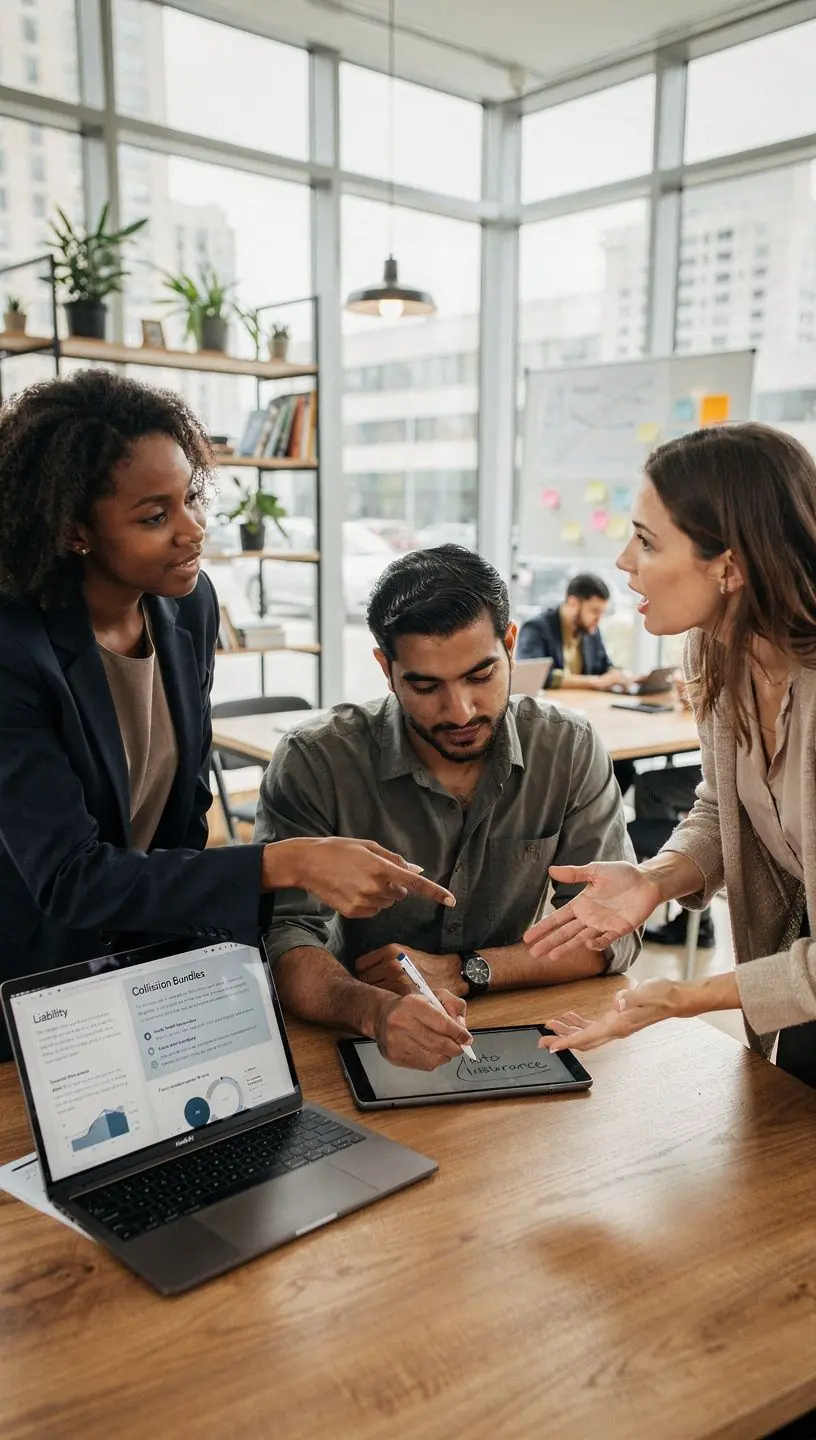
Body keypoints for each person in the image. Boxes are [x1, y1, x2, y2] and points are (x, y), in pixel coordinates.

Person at [0, 369, 456, 1063]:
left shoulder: (188, 604)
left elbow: (181, 812)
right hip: (30, 985)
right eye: (154, 517)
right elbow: (72, 879)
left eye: (190, 499)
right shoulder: (13, 650)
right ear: (73, 531)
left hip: (146, 968)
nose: (193, 531)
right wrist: (289, 861)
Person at [256, 544, 640, 1068]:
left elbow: (611, 934)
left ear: (510, 645)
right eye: (424, 685)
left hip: (514, 1027)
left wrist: (467, 969)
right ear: (385, 669)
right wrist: (370, 1009)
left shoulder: (567, 748)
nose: (459, 711)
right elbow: (284, 938)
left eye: (480, 676)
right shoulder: (317, 762)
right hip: (352, 1036)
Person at [525, 421, 816, 1089]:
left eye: (647, 541)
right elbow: (725, 807)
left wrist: (686, 997)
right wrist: (654, 880)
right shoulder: (715, 648)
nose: (624, 561)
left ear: (730, 565)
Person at [517, 571, 635, 796]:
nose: (598, 619)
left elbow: (605, 665)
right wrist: (597, 682)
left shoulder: (590, 631)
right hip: (553, 723)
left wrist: (618, 675)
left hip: (591, 719)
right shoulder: (536, 628)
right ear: (573, 603)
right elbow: (540, 675)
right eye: (594, 612)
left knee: (624, 768)